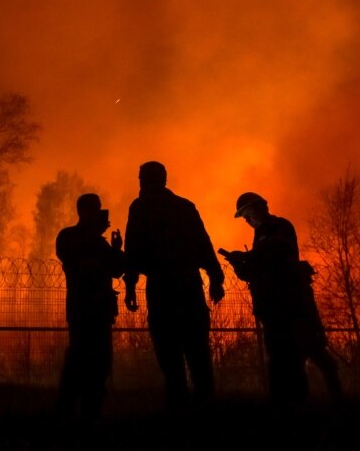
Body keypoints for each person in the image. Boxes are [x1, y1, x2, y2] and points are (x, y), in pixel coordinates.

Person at [220, 192, 341, 404]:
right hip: (273, 309)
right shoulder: (261, 235)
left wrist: (248, 257)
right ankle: (285, 404)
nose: (247, 221)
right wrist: (239, 264)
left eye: (247, 215)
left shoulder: (280, 227)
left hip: (293, 305)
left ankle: (333, 399)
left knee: (308, 350)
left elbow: (274, 251)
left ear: (259, 209)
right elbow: (259, 268)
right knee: (279, 358)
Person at [122, 161, 225, 410]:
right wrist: (215, 278)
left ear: (143, 180)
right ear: (164, 179)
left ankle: (178, 401)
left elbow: (133, 249)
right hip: (189, 285)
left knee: (168, 350)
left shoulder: (140, 207)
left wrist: (131, 286)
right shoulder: (184, 207)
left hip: (161, 287)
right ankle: (206, 401)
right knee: (197, 347)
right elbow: (203, 243)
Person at [55, 193, 125, 422]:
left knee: (101, 362)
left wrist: (115, 248)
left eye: (99, 208)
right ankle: (68, 408)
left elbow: (115, 270)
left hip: (101, 310)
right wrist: (96, 241)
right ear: (83, 211)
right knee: (79, 359)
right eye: (94, 208)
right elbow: (77, 262)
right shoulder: (69, 236)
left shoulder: (99, 242)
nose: (98, 212)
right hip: (82, 308)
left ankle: (90, 410)